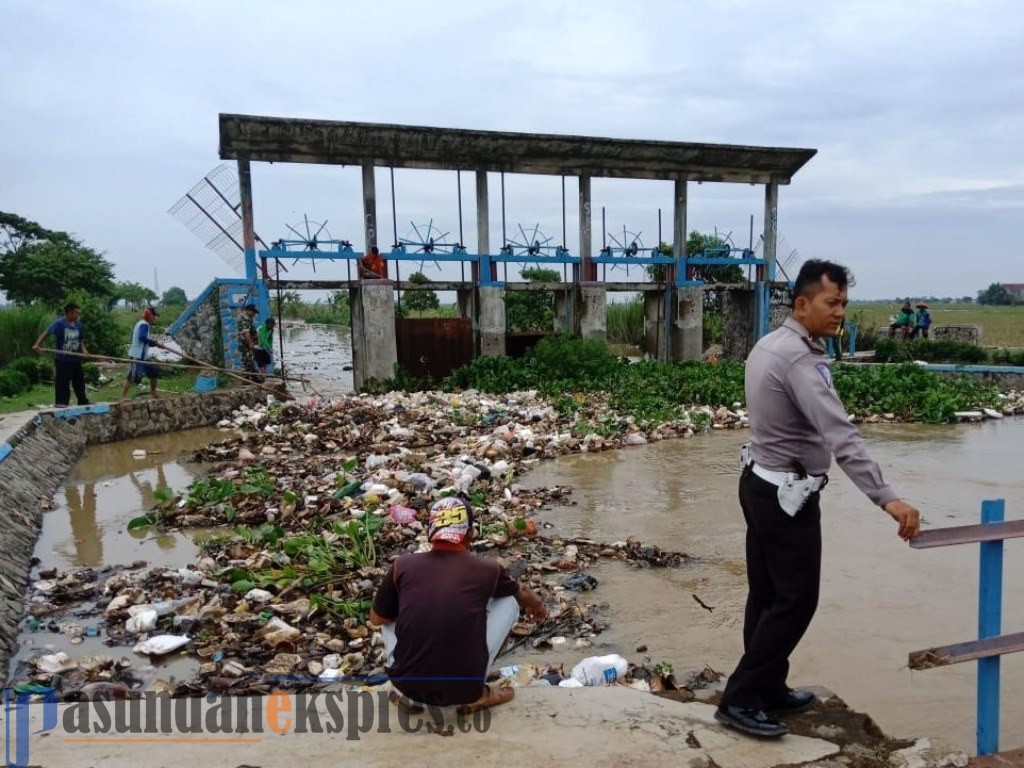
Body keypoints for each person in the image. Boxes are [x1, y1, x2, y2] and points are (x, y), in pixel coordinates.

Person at [715, 259, 921, 739]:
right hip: (788, 496)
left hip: (759, 483)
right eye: (832, 303)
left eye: (845, 303)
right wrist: (886, 498)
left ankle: (767, 686)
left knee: (767, 595)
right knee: (796, 601)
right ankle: (741, 697)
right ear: (803, 304)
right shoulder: (800, 361)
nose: (840, 313)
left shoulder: (771, 345)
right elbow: (841, 435)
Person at [369, 497, 547, 713]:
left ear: (430, 532)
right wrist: (538, 606)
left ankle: (407, 697)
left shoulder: (403, 565)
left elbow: (376, 620)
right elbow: (523, 593)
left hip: (408, 688)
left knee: (389, 612)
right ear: (470, 533)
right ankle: (477, 693)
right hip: (464, 691)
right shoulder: (487, 569)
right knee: (508, 600)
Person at [33, 302, 91, 408]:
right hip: (62, 360)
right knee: (62, 383)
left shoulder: (79, 325)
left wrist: (84, 351)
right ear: (70, 313)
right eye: (76, 313)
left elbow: (80, 340)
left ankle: (83, 401)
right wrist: (37, 344)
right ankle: (61, 403)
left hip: (76, 359)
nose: (78, 315)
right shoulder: (59, 324)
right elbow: (46, 333)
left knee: (79, 382)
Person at [120, 307, 170, 401]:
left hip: (143, 357)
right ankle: (123, 396)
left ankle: (153, 392)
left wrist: (156, 344)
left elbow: (145, 342)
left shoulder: (142, 324)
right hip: (137, 356)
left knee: (153, 372)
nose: (154, 318)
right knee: (132, 377)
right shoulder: (144, 325)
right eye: (153, 316)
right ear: (148, 315)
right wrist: (155, 342)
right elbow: (142, 338)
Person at [237, 303, 261, 380]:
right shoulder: (245, 320)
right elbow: (246, 333)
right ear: (249, 311)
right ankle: (249, 377)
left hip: (247, 344)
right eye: (253, 312)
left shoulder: (248, 320)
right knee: (248, 361)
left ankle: (248, 377)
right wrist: (250, 344)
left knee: (249, 360)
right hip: (246, 345)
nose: (254, 314)